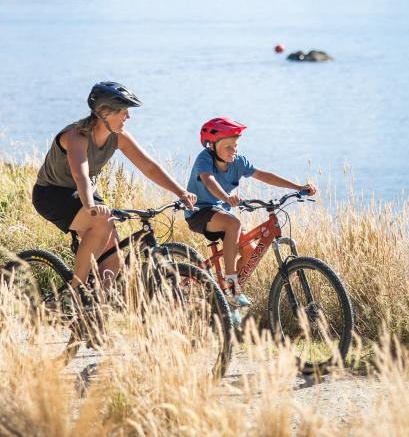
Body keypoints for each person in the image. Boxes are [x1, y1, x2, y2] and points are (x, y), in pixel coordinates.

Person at [31, 81, 197, 287]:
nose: (128, 116)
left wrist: (180, 192)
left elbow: (149, 167)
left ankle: (98, 305)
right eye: (123, 111)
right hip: (52, 194)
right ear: (104, 113)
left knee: (113, 255)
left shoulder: (118, 137)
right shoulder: (76, 136)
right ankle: (76, 290)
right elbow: (80, 173)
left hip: (84, 192)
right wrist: (90, 205)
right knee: (103, 221)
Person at [185, 117, 316, 306]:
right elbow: (209, 181)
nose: (234, 150)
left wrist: (297, 187)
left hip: (220, 211)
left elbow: (263, 175)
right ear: (212, 146)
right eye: (228, 147)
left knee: (251, 252)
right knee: (234, 223)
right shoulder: (204, 159)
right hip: (198, 212)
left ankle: (229, 303)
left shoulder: (238, 162)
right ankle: (232, 287)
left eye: (235, 145)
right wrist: (226, 198)